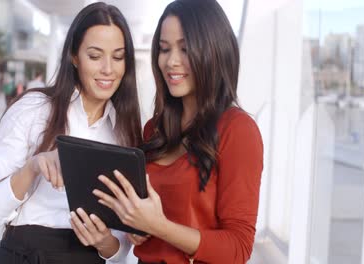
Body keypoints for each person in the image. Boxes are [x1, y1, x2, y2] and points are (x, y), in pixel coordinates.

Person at [92, 0, 264, 263]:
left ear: (214, 50)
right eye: (164, 49)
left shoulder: (238, 130)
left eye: (185, 49)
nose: (171, 61)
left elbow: (238, 248)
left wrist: (157, 226)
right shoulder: (154, 129)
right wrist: (136, 228)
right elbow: (146, 219)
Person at [0, 2, 142, 263]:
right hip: (25, 253)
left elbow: (120, 252)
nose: (108, 69)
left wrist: (105, 242)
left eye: (118, 57)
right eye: (95, 56)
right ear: (74, 57)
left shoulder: (126, 134)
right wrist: (33, 167)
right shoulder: (34, 110)